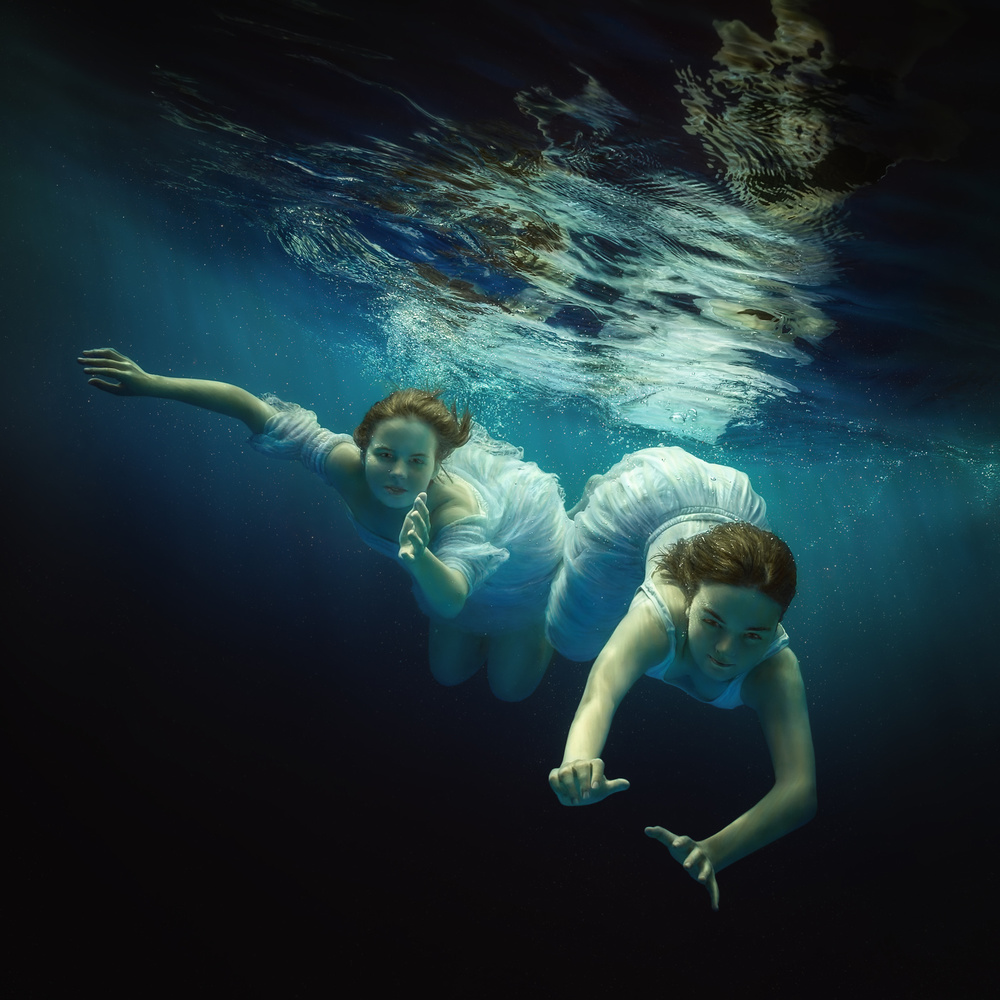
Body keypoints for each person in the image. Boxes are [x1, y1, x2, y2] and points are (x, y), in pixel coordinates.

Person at [78, 347, 568, 701]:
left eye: (416, 462)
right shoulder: (341, 466)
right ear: (362, 446)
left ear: (437, 464)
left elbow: (454, 594)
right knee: (447, 676)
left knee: (509, 691)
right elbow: (249, 407)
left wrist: (420, 558)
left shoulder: (454, 511)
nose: (397, 473)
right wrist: (153, 384)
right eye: (385, 455)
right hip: (437, 576)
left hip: (515, 568)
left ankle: (534, 625)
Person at [546, 447, 816, 909]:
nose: (726, 653)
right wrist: (578, 759)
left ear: (776, 626)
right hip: (646, 507)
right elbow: (603, 689)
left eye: (754, 634)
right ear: (690, 597)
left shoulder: (776, 667)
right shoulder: (658, 617)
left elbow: (800, 792)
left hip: (722, 517)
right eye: (712, 622)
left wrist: (716, 850)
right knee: (567, 635)